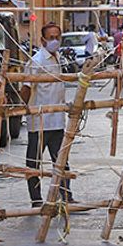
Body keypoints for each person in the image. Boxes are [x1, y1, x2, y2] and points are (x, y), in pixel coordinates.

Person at [20, 22, 74, 206]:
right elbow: (26, 88)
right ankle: (36, 200)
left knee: (61, 160)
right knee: (33, 162)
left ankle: (66, 195)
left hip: (57, 120)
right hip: (40, 121)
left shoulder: (58, 58)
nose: (55, 41)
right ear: (43, 40)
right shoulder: (36, 61)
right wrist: (22, 108)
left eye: (57, 37)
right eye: (51, 38)